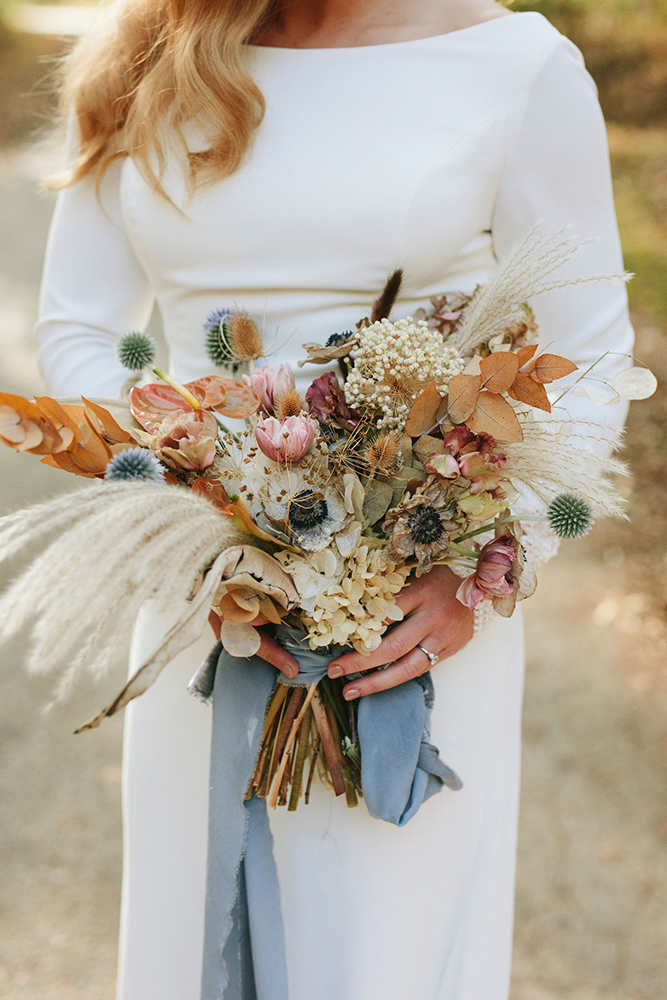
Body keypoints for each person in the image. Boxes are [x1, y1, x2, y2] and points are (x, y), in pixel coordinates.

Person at [34, 1, 634, 998]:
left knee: (377, 956)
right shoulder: (144, 54)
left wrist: (482, 567)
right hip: (202, 600)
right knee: (196, 942)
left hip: (412, 616)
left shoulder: (515, 64)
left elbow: (596, 356)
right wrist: (196, 513)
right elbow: (80, 330)